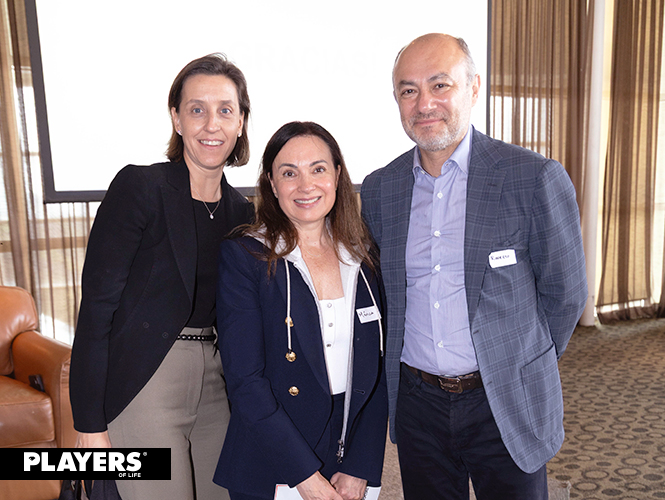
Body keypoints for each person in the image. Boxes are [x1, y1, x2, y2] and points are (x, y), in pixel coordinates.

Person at [360, 33, 588, 500]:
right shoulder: (382, 189)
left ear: (473, 88)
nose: (424, 103)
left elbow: (566, 296)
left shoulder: (532, 178)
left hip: (503, 401)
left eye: (440, 85)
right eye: (408, 90)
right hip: (418, 406)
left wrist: (520, 363)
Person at [69, 53, 255, 500]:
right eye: (197, 109)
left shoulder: (243, 213)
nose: (212, 124)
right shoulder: (140, 188)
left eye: (225, 110)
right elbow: (96, 311)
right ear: (176, 118)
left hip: (216, 383)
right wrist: (88, 425)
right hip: (145, 380)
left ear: (241, 122)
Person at [214, 121, 387, 500]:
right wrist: (306, 478)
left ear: (338, 176)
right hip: (275, 456)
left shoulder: (363, 256)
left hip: (349, 448)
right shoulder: (246, 256)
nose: (305, 186)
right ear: (272, 185)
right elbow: (246, 382)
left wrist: (359, 466)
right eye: (289, 173)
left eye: (318, 169)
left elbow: (376, 370)